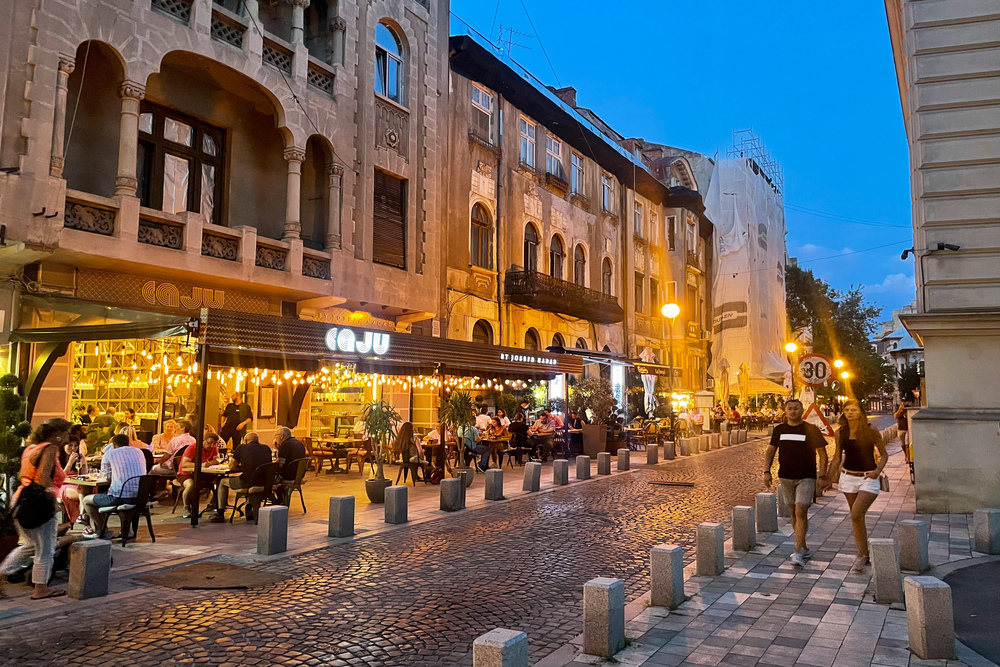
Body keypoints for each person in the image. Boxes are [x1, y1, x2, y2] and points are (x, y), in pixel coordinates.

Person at [0, 419, 71, 599]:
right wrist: (51, 500)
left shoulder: (31, 448)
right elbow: (43, 476)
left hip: (21, 498)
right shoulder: (50, 449)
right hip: (38, 502)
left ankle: (3, 572)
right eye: (65, 434)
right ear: (58, 434)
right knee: (45, 548)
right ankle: (41, 588)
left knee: (30, 544)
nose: (66, 438)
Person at [763, 399, 829, 567]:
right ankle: (804, 546)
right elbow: (771, 451)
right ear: (785, 411)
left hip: (806, 476)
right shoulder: (779, 430)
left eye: (796, 408)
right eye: (790, 408)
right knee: (793, 512)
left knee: (801, 511)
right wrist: (766, 471)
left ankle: (797, 550)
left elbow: (822, 453)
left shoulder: (811, 429)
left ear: (802, 410)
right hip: (786, 476)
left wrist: (822, 475)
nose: (792, 411)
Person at [826, 399, 888, 573]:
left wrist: (877, 471)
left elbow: (884, 455)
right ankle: (863, 554)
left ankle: (862, 555)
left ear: (861, 412)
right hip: (848, 477)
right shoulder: (841, 433)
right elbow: (837, 457)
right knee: (857, 518)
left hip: (868, 477)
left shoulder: (871, 431)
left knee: (856, 513)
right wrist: (828, 478)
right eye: (847, 409)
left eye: (854, 409)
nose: (850, 412)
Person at [81, 433, 146, 538]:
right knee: (109, 493)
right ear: (129, 443)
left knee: (86, 500)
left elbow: (107, 477)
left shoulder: (110, 454)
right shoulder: (139, 452)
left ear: (114, 445)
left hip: (119, 498)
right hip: (140, 497)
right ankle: (126, 530)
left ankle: (103, 531)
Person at [212, 432, 272, 522]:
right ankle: (249, 508)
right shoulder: (266, 448)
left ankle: (220, 513)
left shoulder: (241, 447)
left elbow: (231, 467)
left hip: (247, 483)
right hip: (264, 482)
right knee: (251, 476)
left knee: (222, 481)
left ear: (246, 441)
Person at [176, 432, 221, 519]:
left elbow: (216, 460)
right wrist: (201, 464)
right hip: (187, 473)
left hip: (204, 473)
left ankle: (214, 504)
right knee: (190, 485)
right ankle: (186, 507)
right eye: (209, 443)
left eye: (214, 444)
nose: (211, 446)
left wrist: (210, 463)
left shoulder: (214, 448)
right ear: (203, 440)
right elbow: (185, 464)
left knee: (221, 482)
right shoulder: (193, 448)